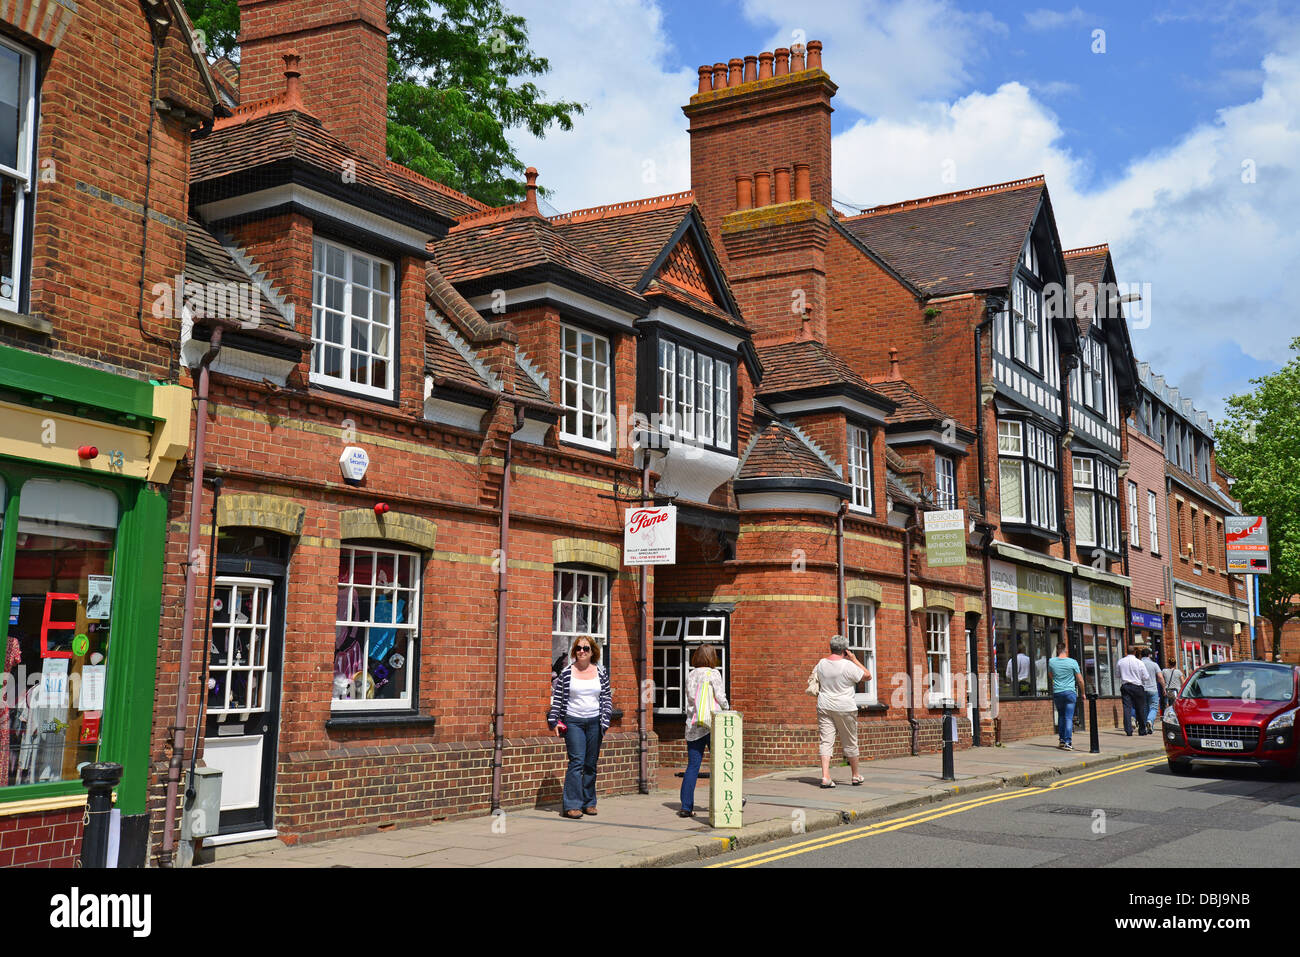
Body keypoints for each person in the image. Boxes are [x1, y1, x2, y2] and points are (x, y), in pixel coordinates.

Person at [546, 635, 612, 819]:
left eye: (585, 648)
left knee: (591, 764)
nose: (581, 651)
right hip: (573, 721)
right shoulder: (567, 672)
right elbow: (558, 698)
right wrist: (555, 721)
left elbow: (606, 697)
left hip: (594, 721)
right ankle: (572, 805)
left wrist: (605, 719)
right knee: (577, 762)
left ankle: (588, 802)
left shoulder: (600, 672)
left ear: (592, 652)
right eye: (578, 648)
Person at [678, 644, 729, 818]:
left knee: (692, 766)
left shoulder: (691, 674)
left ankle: (686, 806)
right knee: (722, 764)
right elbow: (720, 697)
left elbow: (691, 698)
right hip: (712, 724)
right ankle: (727, 800)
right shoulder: (714, 674)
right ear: (711, 657)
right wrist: (727, 708)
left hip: (693, 725)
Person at [815, 635, 870, 788]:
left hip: (824, 705)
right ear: (845, 650)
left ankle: (825, 776)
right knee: (850, 741)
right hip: (845, 707)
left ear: (831, 647)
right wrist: (854, 659)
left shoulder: (822, 663)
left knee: (826, 741)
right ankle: (855, 775)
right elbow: (867, 675)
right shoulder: (848, 665)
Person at [1048, 641, 1084, 750]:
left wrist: (1056, 682)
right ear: (1065, 650)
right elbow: (1080, 680)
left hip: (1058, 692)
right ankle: (1068, 742)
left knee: (1061, 716)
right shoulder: (1073, 662)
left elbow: (1051, 675)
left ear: (1057, 650)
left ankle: (1062, 740)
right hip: (1070, 692)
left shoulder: (1051, 661)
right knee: (1069, 717)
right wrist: (1083, 693)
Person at [1115, 646, 1150, 736]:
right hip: (1137, 686)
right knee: (1140, 708)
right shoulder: (1139, 662)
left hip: (1125, 686)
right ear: (1134, 652)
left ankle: (1128, 730)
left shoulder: (1120, 661)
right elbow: (1146, 677)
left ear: (1126, 651)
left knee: (1127, 708)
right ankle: (1142, 730)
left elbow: (1117, 675)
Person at [1139, 647, 1165, 733]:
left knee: (1145, 708)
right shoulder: (1154, 664)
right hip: (1153, 689)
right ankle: (1150, 721)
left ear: (1141, 655)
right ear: (1149, 655)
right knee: (1153, 707)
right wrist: (1164, 688)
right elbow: (1160, 677)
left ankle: (1148, 727)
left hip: (1142, 689)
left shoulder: (1139, 664)